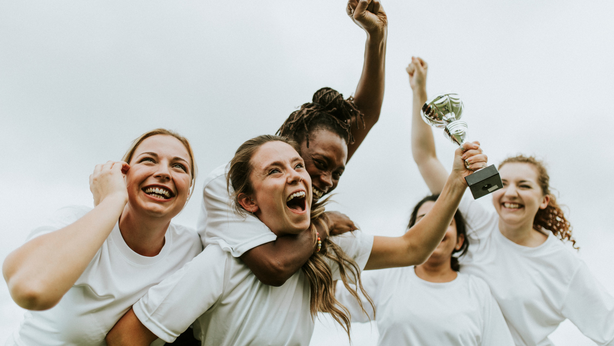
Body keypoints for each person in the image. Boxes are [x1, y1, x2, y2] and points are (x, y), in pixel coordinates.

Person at [106, 133, 488, 345]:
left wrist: (455, 182)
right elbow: (125, 338)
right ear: (247, 201)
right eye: (274, 170)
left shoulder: (330, 250)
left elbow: (412, 247)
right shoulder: (222, 263)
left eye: (298, 166)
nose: (295, 175)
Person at [407, 56, 614, 345]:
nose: (511, 192)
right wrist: (420, 92)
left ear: (544, 200)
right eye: (503, 183)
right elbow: (425, 158)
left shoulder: (562, 264)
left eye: (525, 185)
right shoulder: (477, 224)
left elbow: (608, 326)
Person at [198, 0, 388, 287]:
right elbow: (275, 266)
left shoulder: (305, 189)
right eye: (320, 165)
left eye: (337, 173)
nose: (328, 181)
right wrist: (325, 223)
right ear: (289, 143)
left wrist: (377, 36)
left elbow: (366, 115)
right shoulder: (225, 184)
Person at [2, 129, 202, 346]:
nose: (164, 172)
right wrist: (113, 199)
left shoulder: (191, 250)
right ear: (123, 175)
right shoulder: (74, 220)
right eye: (148, 160)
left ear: (189, 189)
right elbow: (30, 288)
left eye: (179, 166)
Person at [336, 194, 514, 345]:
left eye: (446, 221)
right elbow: (326, 295)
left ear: (459, 241)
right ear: (412, 234)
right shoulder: (389, 277)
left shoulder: (477, 290)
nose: (435, 227)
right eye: (424, 220)